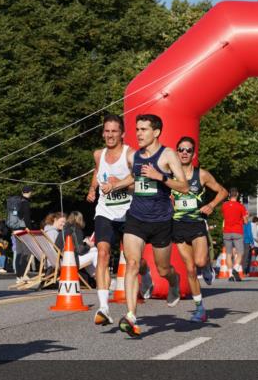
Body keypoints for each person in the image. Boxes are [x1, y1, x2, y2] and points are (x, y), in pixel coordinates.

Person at [113, 114, 189, 338]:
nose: (139, 133)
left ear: (156, 132)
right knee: (132, 263)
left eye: (144, 129)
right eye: (137, 129)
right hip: (136, 218)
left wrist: (161, 177)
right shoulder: (135, 156)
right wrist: (116, 185)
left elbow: (183, 187)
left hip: (161, 221)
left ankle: (173, 282)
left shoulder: (168, 155)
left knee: (163, 268)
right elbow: (135, 181)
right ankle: (131, 316)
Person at [171, 136, 227, 323]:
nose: (184, 153)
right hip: (177, 226)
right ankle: (200, 309)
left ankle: (207, 265)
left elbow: (223, 192)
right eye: (181, 150)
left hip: (196, 224)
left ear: (193, 154)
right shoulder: (170, 175)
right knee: (190, 269)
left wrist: (211, 205)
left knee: (200, 260)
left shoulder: (201, 175)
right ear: (176, 153)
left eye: (188, 150)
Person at [86, 114, 133, 326]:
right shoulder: (98, 154)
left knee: (133, 259)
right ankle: (104, 307)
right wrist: (92, 188)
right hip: (105, 211)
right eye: (107, 131)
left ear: (122, 133)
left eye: (114, 131)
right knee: (102, 252)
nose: (110, 135)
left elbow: (139, 183)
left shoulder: (130, 154)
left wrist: (119, 184)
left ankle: (146, 275)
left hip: (129, 212)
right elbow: (97, 171)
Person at [221, 188, 249, 281]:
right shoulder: (241, 206)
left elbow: (224, 216)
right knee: (240, 252)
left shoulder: (224, 205)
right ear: (237, 194)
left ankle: (230, 275)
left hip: (227, 232)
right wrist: (245, 217)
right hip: (237, 232)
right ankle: (235, 269)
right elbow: (245, 221)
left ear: (229, 195)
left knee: (229, 254)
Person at [7, 186, 34, 276]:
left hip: (15, 230)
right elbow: (26, 217)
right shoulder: (25, 202)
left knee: (19, 252)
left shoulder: (16, 202)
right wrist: (28, 228)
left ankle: (19, 275)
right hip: (23, 230)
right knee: (27, 252)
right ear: (30, 192)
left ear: (22, 192)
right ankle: (23, 274)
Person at [63, 211, 97, 278]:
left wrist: (85, 244)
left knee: (92, 252)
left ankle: (95, 277)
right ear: (80, 220)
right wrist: (89, 245)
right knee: (95, 252)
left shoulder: (65, 229)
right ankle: (100, 277)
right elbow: (80, 251)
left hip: (62, 259)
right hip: (71, 261)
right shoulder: (76, 230)